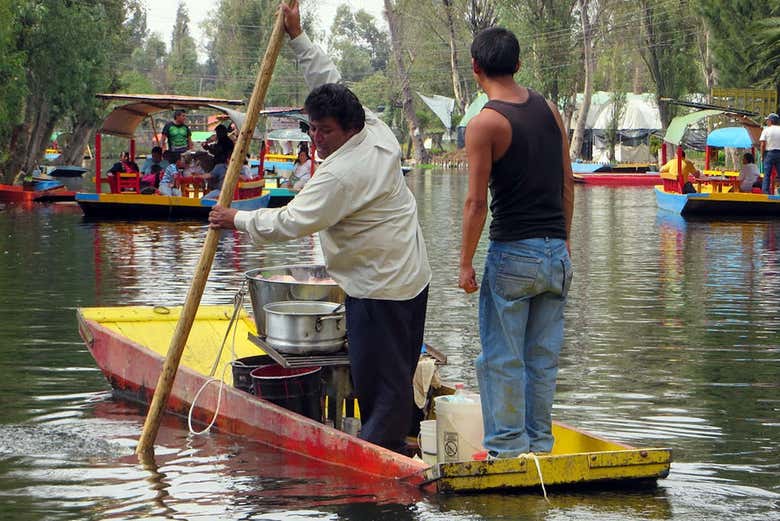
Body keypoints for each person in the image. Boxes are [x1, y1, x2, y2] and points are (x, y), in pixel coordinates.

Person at [208, 1, 431, 453]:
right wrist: (298, 35)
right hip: (410, 276)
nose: (317, 140)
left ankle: (380, 461)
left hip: (379, 288)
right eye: (312, 130)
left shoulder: (341, 173)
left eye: (324, 132)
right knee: (398, 374)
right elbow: (325, 77)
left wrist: (237, 218)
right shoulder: (374, 128)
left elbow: (290, 221)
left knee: (382, 390)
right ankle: (405, 437)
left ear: (349, 129)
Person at [458, 27, 574, 459]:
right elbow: (567, 184)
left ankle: (508, 449)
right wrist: (563, 244)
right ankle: (540, 446)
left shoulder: (485, 123)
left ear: (475, 68)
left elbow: (475, 204)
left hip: (513, 255)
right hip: (555, 252)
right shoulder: (551, 110)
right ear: (519, 64)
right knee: (541, 359)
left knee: (502, 359)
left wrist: (465, 263)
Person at [201, 124, 235, 199]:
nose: (217, 134)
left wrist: (207, 148)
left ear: (221, 132)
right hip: (222, 163)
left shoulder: (224, 141)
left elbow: (216, 152)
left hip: (221, 164)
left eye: (217, 132)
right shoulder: (224, 140)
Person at [760, 113, 780, 194]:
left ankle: (765, 192)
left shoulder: (766, 130)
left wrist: (762, 156)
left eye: (767, 120)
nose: (767, 122)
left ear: (771, 121)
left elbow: (762, 144)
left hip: (769, 154)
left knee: (767, 174)